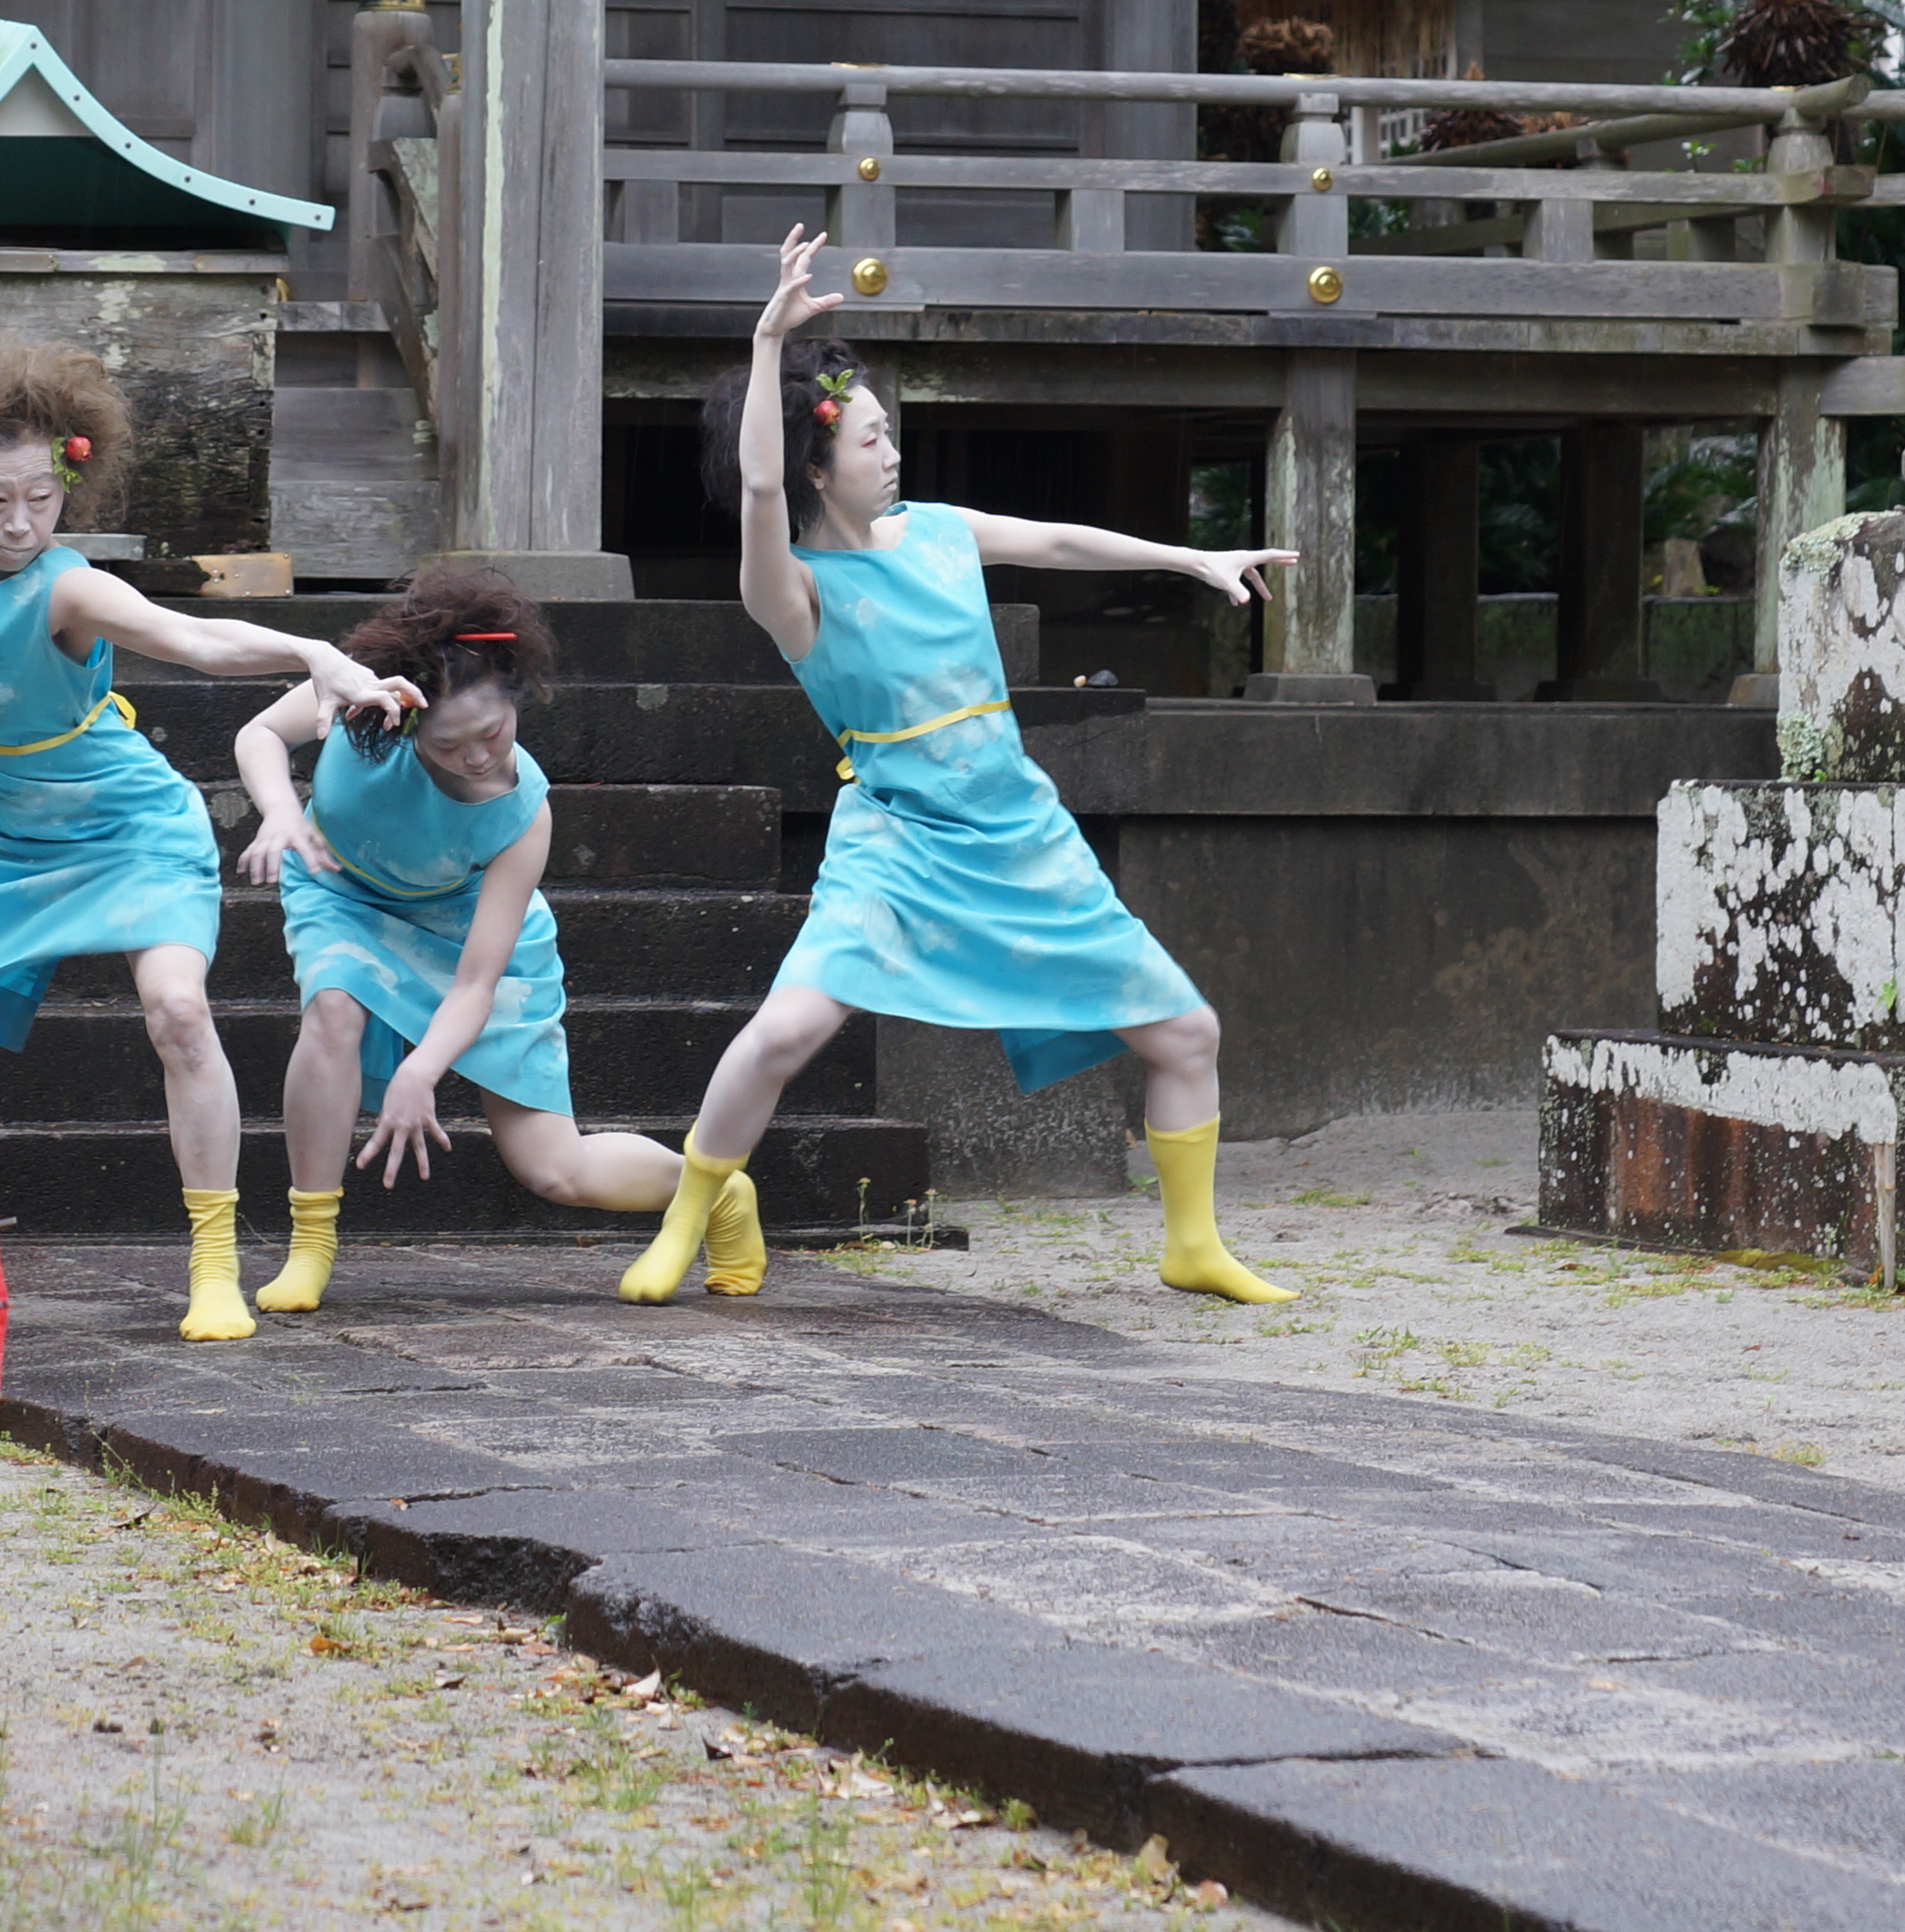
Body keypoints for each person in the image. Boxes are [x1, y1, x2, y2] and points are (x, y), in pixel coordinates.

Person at [0, 68, 407, 1345]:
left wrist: (318, 654)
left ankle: (212, 1264)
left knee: (178, 1008)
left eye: (41, 501)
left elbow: (194, 637)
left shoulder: (66, 587)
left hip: (127, 828)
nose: (20, 524)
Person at [616, 227, 1299, 1309]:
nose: (893, 455)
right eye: (873, 440)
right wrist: (763, 344)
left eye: (892, 434)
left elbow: (1059, 543)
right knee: (786, 1030)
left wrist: (1191, 558)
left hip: (1018, 829)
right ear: (818, 464)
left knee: (1186, 1030)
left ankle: (1193, 1243)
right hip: (895, 835)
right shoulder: (790, 588)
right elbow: (753, 492)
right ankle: (687, 1220)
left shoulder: (934, 532)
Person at [227, 567, 687, 1311]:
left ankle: (713, 1191)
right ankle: (310, 1244)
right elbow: (259, 735)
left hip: (467, 932)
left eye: (493, 733)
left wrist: (424, 1070)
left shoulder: (523, 816)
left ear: (515, 701)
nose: (477, 756)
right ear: (407, 719)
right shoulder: (360, 694)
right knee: (335, 1009)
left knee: (554, 1170)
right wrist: (280, 813)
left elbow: (477, 983)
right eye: (449, 744)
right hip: (341, 890)